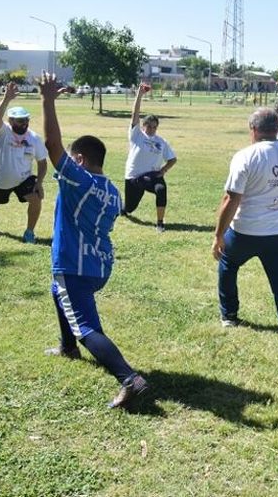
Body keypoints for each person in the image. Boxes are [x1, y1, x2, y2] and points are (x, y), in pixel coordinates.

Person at [37, 72, 147, 409]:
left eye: (72, 158)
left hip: (74, 264)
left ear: (80, 160)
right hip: (99, 264)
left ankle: (129, 378)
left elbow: (52, 146)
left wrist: (48, 101)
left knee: (85, 326)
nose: (67, 162)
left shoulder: (79, 179)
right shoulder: (112, 191)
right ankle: (67, 346)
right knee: (59, 294)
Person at [213, 70, 278, 368]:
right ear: (277, 127)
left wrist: (218, 235)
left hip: (243, 232)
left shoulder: (244, 156)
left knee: (228, 264)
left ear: (253, 130)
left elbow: (231, 200)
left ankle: (229, 315)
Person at [0, 82, 47, 243]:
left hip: (23, 179)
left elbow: (42, 162)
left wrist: (39, 183)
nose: (24, 123)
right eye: (19, 121)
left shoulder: (34, 138)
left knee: (35, 198)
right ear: (10, 121)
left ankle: (29, 233)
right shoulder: (2, 133)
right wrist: (6, 99)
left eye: (26, 120)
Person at [122, 83, 177, 233]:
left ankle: (160, 223)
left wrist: (164, 170)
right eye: (149, 126)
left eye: (155, 127)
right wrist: (139, 95)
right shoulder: (137, 135)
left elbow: (172, 159)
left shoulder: (161, 141)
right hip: (134, 177)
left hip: (153, 176)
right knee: (130, 208)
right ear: (143, 125)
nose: (152, 129)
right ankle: (121, 208)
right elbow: (135, 115)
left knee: (161, 189)